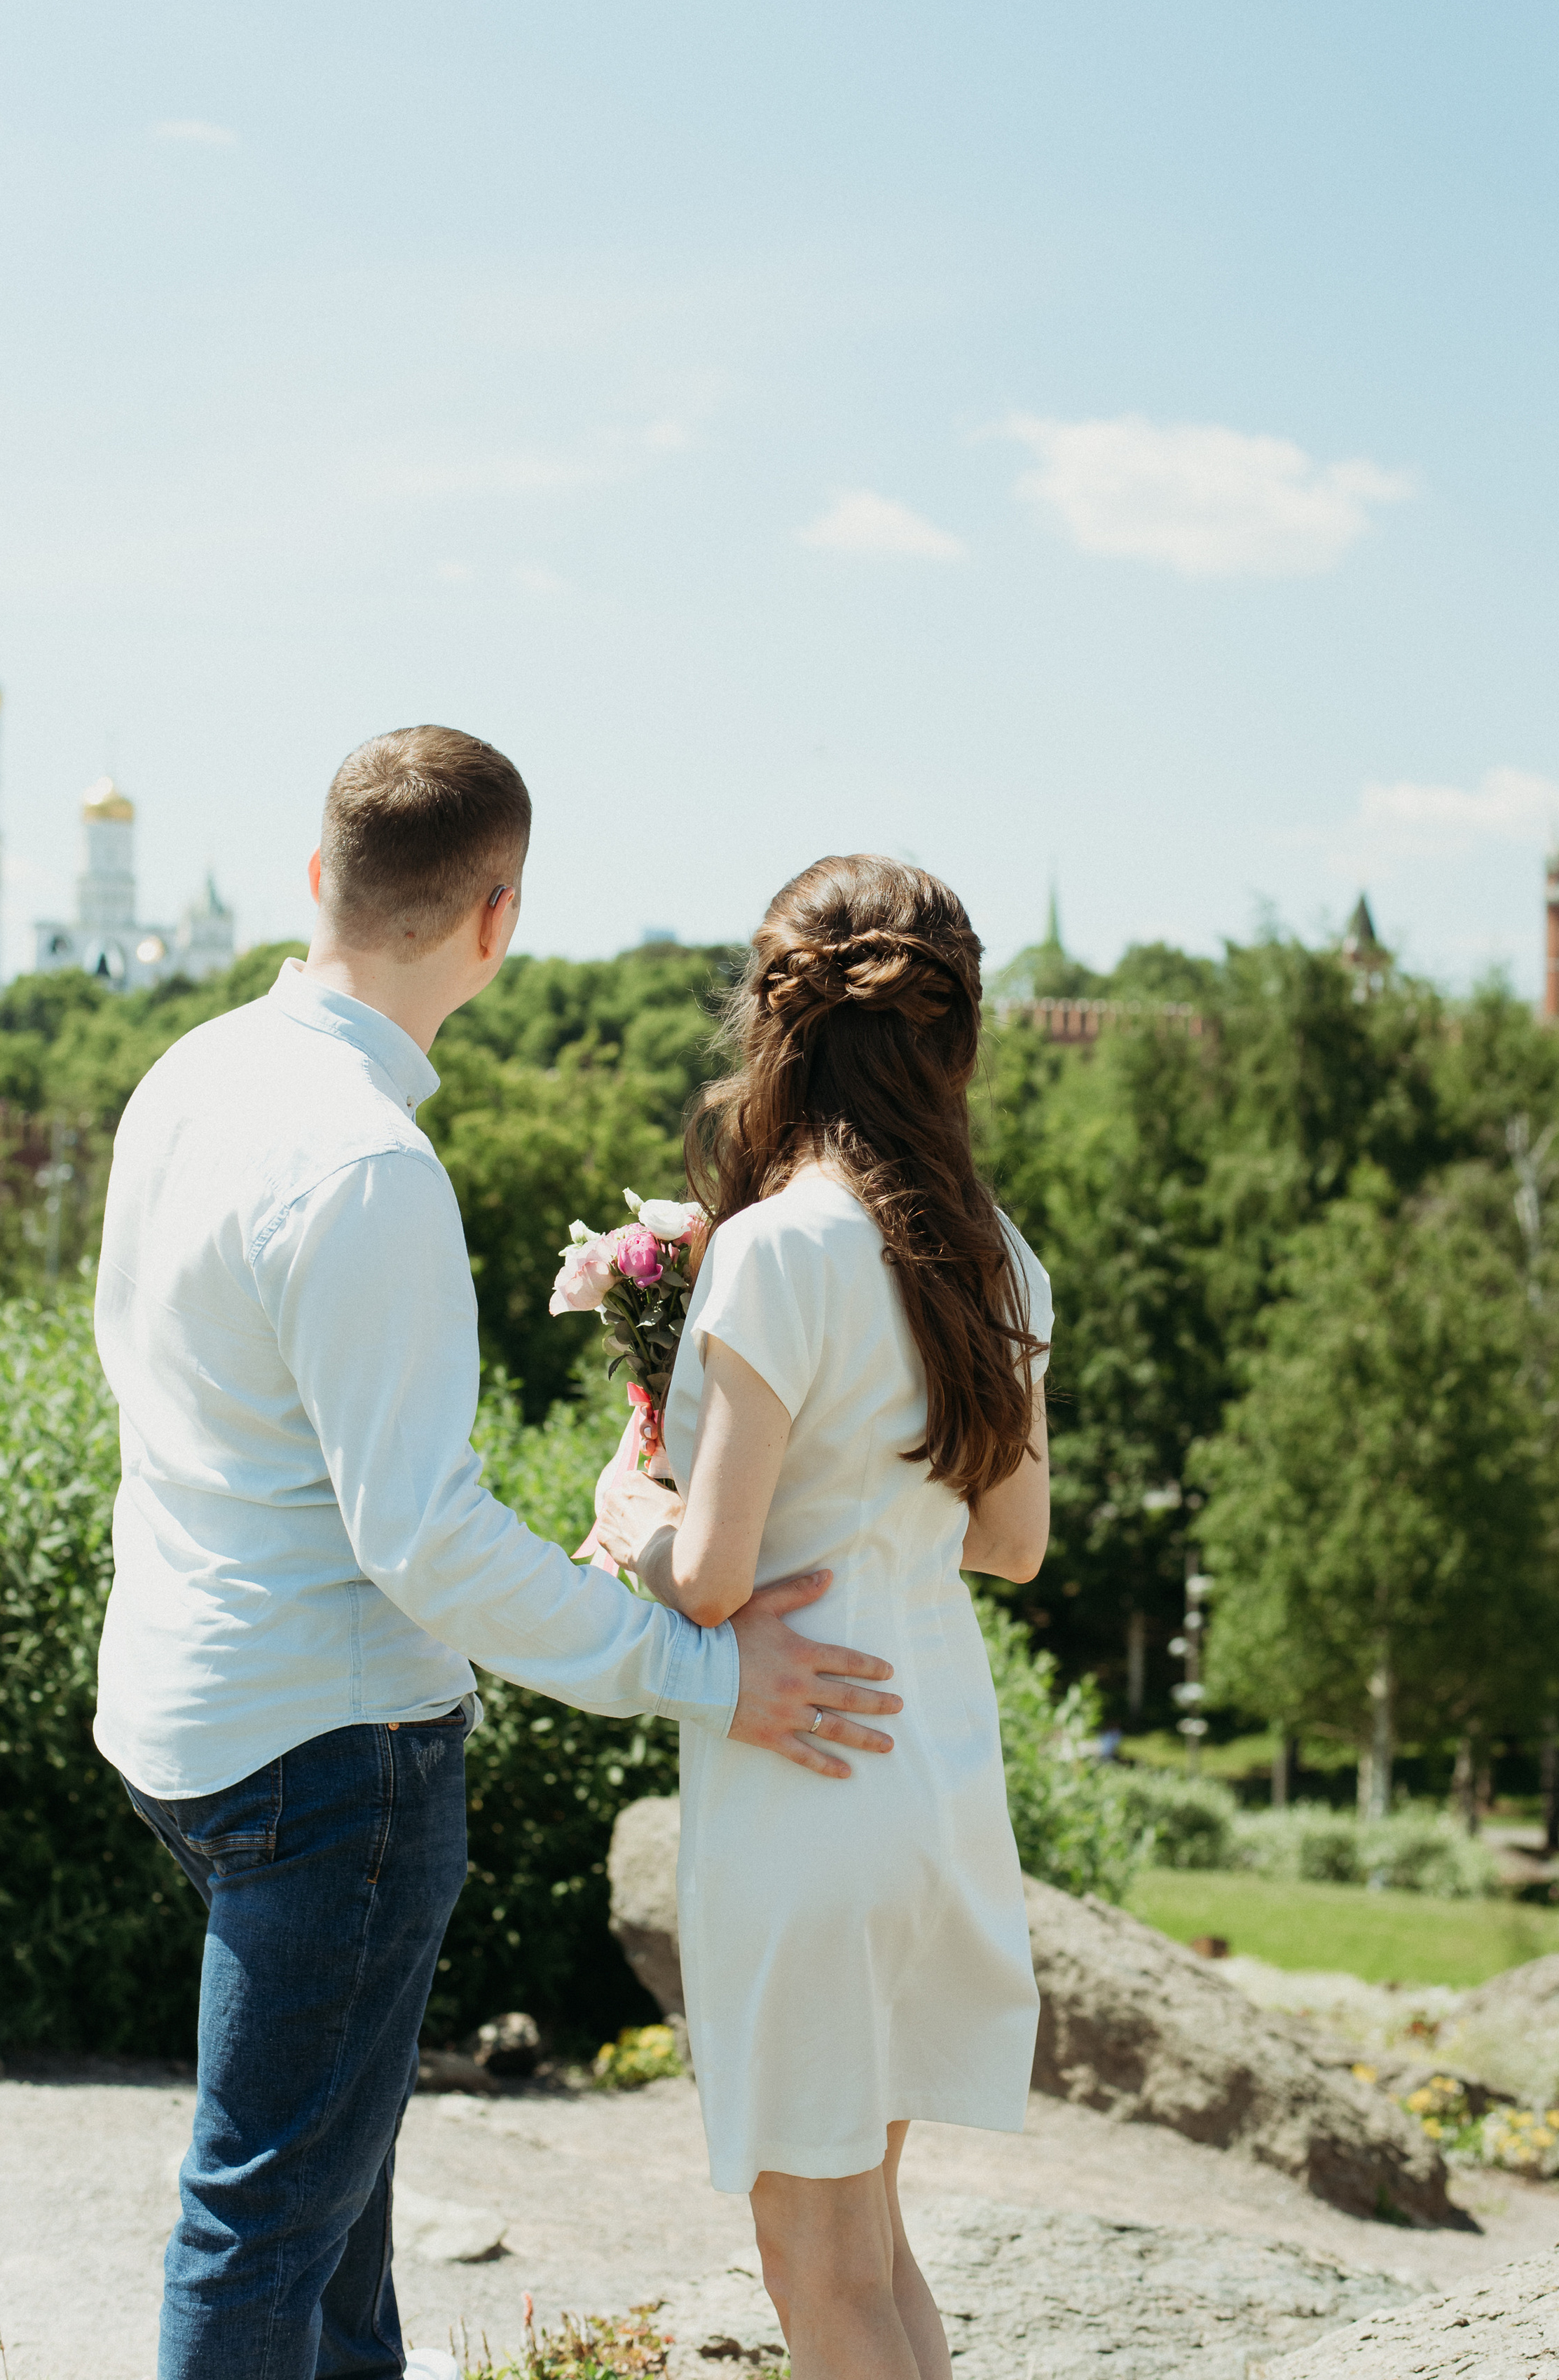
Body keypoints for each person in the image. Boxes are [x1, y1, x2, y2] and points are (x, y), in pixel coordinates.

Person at [92, 728, 902, 2380]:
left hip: (179, 1708)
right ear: (497, 918)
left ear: (317, 879)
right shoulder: (368, 1165)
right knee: (261, 2228)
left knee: (328, 2226)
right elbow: (424, 1547)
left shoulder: (184, 1077)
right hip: (326, 1757)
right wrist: (700, 1669)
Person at [591, 853, 1051, 2380]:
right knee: (872, 2248)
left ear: (773, 1028)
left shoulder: (776, 1245)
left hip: (806, 1786)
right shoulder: (993, 1252)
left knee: (815, 2265)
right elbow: (1014, 1540)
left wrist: (630, 1521)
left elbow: (715, 1579)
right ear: (952, 1036)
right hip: (934, 1773)